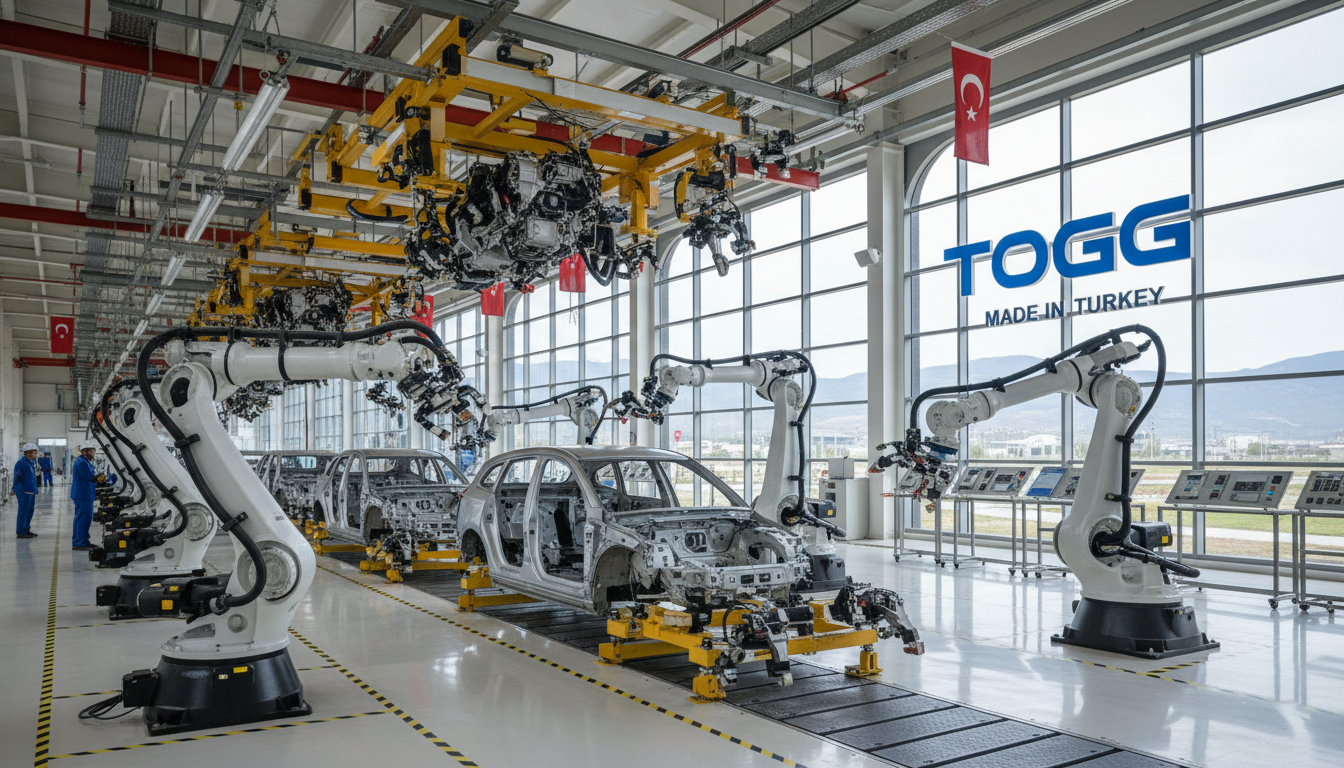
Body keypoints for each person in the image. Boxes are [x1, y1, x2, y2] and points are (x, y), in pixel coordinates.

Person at [71, 441, 98, 551]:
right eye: (89, 451)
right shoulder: (82, 462)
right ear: (83, 451)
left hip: (83, 493)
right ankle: (80, 543)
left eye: (92, 451)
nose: (92, 453)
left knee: (81, 519)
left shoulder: (83, 461)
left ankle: (82, 541)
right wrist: (97, 478)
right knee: (83, 519)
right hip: (83, 494)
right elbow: (88, 476)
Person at [12, 443, 38, 538]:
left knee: (29, 510)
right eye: (29, 453)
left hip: (30, 490)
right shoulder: (22, 463)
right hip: (23, 490)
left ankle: (26, 529)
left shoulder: (30, 463)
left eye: (34, 452)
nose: (32, 455)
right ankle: (21, 531)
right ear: (25, 453)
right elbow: (18, 477)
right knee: (23, 511)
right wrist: (17, 488)